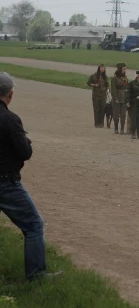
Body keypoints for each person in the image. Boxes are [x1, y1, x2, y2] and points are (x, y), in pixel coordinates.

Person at [0, 72, 61, 281]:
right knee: (34, 225)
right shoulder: (10, 119)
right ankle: (36, 275)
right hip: (5, 182)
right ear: (10, 94)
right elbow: (24, 152)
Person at [110, 63, 129, 134]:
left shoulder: (125, 78)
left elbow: (127, 88)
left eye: (125, 69)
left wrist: (127, 98)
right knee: (116, 113)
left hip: (124, 98)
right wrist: (115, 98)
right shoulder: (114, 78)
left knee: (123, 114)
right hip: (117, 97)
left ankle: (122, 129)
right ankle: (116, 128)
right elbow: (113, 89)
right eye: (123, 69)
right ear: (120, 69)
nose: (125, 70)